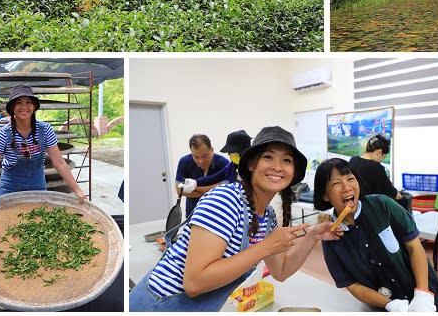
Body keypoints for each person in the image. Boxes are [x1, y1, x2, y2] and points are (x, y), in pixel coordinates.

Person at [129, 126, 342, 311]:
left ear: (293, 172)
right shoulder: (226, 200)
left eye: (286, 160)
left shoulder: (267, 218)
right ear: (251, 165)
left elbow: (281, 271)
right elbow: (194, 283)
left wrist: (312, 236)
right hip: (159, 305)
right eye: (268, 157)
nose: (278, 166)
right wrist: (266, 247)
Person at [314, 158, 438, 312]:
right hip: (384, 307)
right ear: (325, 195)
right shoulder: (330, 237)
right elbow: (351, 284)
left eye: (351, 179)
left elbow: (414, 247)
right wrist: (389, 304)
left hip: (424, 297)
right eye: (336, 183)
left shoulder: (383, 205)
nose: (346, 187)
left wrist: (423, 294)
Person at [0, 85, 86, 214]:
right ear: (12, 108)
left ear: (34, 106)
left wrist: (77, 190)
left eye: (28, 102)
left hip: (37, 186)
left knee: (37, 223)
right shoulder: (3, 134)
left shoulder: (45, 130)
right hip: (9, 188)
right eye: (19, 103)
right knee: (7, 225)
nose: (24, 107)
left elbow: (60, 163)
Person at [175, 134, 235, 217]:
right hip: (193, 214)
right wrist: (213, 190)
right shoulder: (184, 162)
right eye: (196, 157)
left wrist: (193, 188)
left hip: (218, 214)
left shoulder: (224, 164)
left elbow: (224, 190)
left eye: (204, 156)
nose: (201, 161)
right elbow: (179, 190)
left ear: (212, 150)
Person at [348, 134, 407, 208]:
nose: (381, 160)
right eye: (383, 157)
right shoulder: (376, 167)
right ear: (379, 152)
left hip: (355, 205)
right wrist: (403, 199)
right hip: (370, 209)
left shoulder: (353, 160)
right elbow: (390, 192)